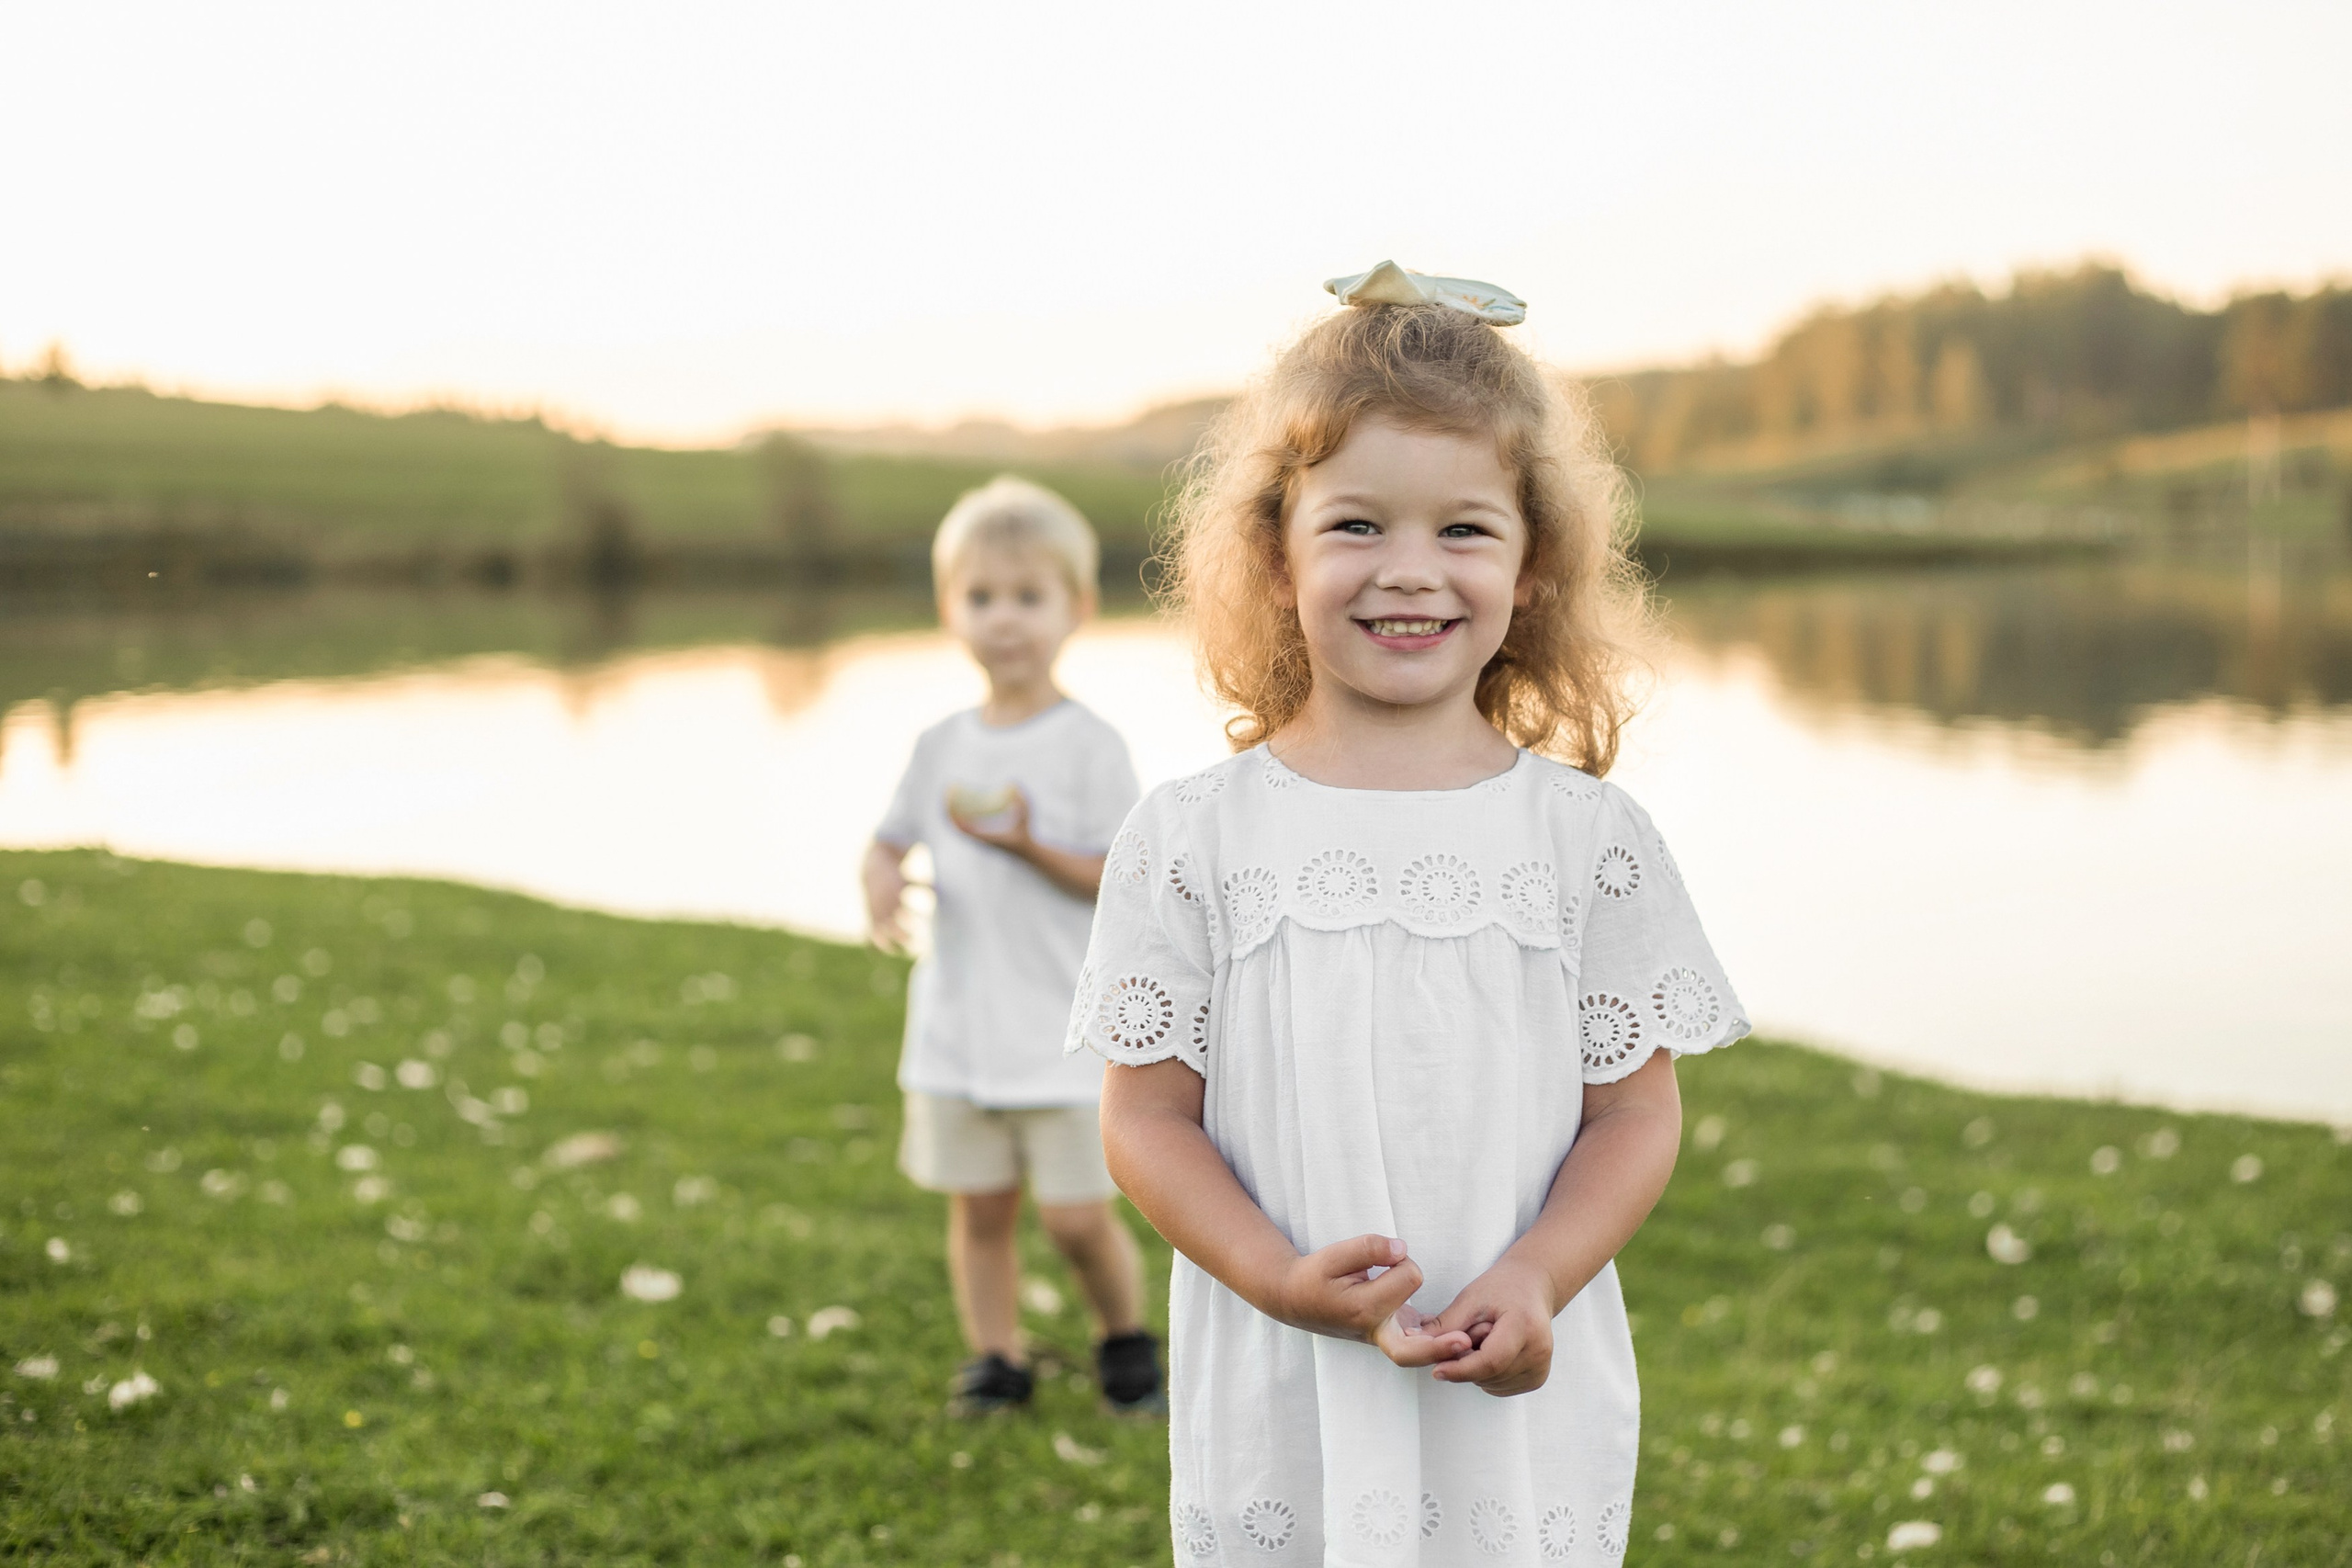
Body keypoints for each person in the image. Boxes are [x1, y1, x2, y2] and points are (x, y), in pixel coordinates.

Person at [1072, 264, 1748, 1563]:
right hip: (1287, 1385)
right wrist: (1274, 1272)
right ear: (1276, 553)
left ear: (1534, 564)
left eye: (1463, 530)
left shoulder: (1586, 840)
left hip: (1508, 1385)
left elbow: (1636, 1110)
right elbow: (1145, 1116)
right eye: (1357, 525)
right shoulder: (1194, 837)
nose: (1410, 572)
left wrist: (1539, 1273)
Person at [865, 475, 1165, 1417]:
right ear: (950, 608)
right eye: (982, 598)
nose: (1004, 621)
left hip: (1061, 1032)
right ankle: (995, 1361)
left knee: (1076, 1216)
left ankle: (1125, 1344)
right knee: (980, 1208)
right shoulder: (941, 742)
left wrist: (1030, 846)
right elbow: (890, 836)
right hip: (958, 1028)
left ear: (1075, 608)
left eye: (1027, 598)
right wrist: (878, 877)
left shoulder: (1088, 745)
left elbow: (1126, 878)